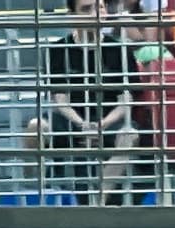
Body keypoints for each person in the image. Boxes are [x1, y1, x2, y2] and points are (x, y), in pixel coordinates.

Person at [32, 0, 147, 196]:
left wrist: (101, 125)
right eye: (87, 8)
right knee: (35, 127)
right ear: (72, 14)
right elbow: (60, 99)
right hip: (72, 118)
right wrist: (82, 124)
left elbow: (126, 99)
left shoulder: (121, 49)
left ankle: (100, 197)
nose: (96, 12)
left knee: (130, 135)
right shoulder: (57, 50)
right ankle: (36, 191)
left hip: (109, 118)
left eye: (100, 7)